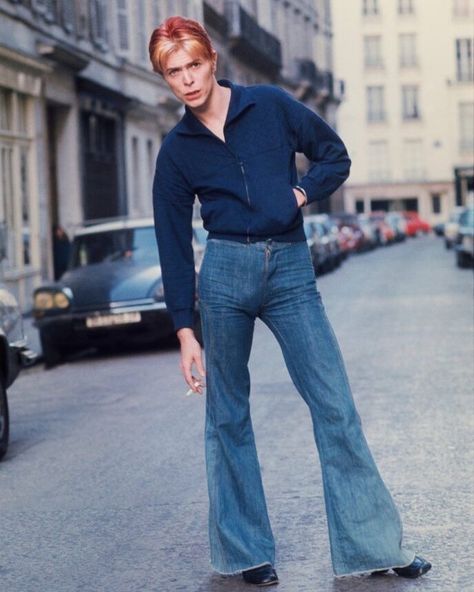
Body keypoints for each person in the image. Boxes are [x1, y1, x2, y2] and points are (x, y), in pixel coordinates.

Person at [148, 16, 431, 587]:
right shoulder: (177, 150)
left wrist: (300, 192)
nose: (188, 80)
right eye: (175, 72)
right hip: (224, 273)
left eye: (195, 65)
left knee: (334, 403)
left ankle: (374, 544)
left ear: (212, 61)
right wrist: (184, 330)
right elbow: (173, 242)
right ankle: (245, 552)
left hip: (291, 269)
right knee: (227, 414)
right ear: (166, 78)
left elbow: (334, 154)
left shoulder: (271, 105)